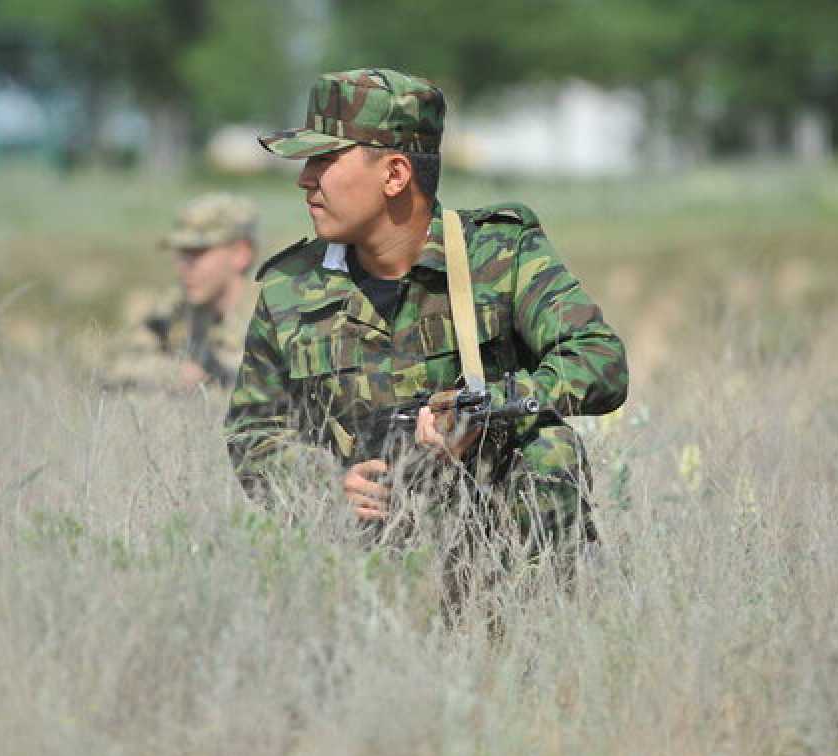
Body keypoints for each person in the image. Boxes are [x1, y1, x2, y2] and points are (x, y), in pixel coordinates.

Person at [224, 68, 628, 609]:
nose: (305, 179)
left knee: (550, 449)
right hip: (356, 556)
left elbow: (600, 361)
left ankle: (543, 632)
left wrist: (483, 412)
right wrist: (327, 486)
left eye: (324, 160)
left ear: (394, 174)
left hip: (490, 536)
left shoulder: (498, 256)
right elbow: (254, 430)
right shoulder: (289, 287)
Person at [103, 193, 259, 392]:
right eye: (181, 253)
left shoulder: (273, 312)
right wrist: (173, 372)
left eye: (197, 253)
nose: (184, 266)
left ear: (241, 254)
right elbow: (115, 367)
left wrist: (212, 373)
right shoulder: (174, 308)